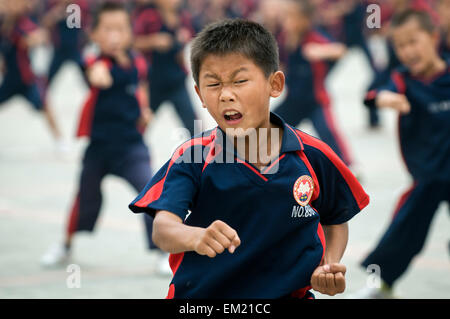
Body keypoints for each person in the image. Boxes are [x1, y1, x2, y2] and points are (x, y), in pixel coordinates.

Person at [129, 18, 370, 299]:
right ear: (200, 94)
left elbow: (335, 216)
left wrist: (329, 264)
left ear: (275, 84)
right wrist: (196, 237)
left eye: (240, 81)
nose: (226, 95)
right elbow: (163, 228)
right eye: (214, 84)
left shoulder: (314, 155)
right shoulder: (193, 157)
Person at [40, 2, 169, 274]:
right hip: (98, 150)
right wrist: (98, 75)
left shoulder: (137, 62)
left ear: (129, 33)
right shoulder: (94, 61)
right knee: (83, 199)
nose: (114, 36)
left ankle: (161, 252)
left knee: (151, 192)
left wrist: (144, 111)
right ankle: (65, 245)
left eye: (120, 29)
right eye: (107, 30)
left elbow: (140, 88)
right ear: (95, 35)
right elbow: (94, 73)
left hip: (131, 147)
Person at [353, 9, 450, 299]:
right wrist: (385, 98)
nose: (407, 51)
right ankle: (381, 284)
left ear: (433, 38)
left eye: (413, 41)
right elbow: (371, 94)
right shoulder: (402, 81)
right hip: (426, 178)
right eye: (400, 45)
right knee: (404, 230)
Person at [273, 0, 354, 169]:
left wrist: (320, 51)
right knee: (271, 126)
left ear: (305, 20)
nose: (288, 22)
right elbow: (280, 63)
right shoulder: (284, 38)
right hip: (294, 100)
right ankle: (264, 161)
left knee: (328, 133)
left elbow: (340, 50)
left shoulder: (314, 37)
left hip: (316, 100)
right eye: (287, 18)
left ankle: (347, 166)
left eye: (293, 18)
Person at [0, 0, 63, 149]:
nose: (12, 6)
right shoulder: (3, 24)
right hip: (9, 80)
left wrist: (34, 39)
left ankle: (60, 141)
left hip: (26, 80)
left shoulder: (23, 23)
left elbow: (39, 34)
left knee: (45, 106)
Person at [133, 0, 198, 137]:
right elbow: (131, 42)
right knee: (140, 123)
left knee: (194, 126)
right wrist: (153, 41)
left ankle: (206, 154)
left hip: (176, 81)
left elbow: (193, 40)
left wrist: (184, 43)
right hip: (153, 82)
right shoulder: (148, 16)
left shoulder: (183, 17)